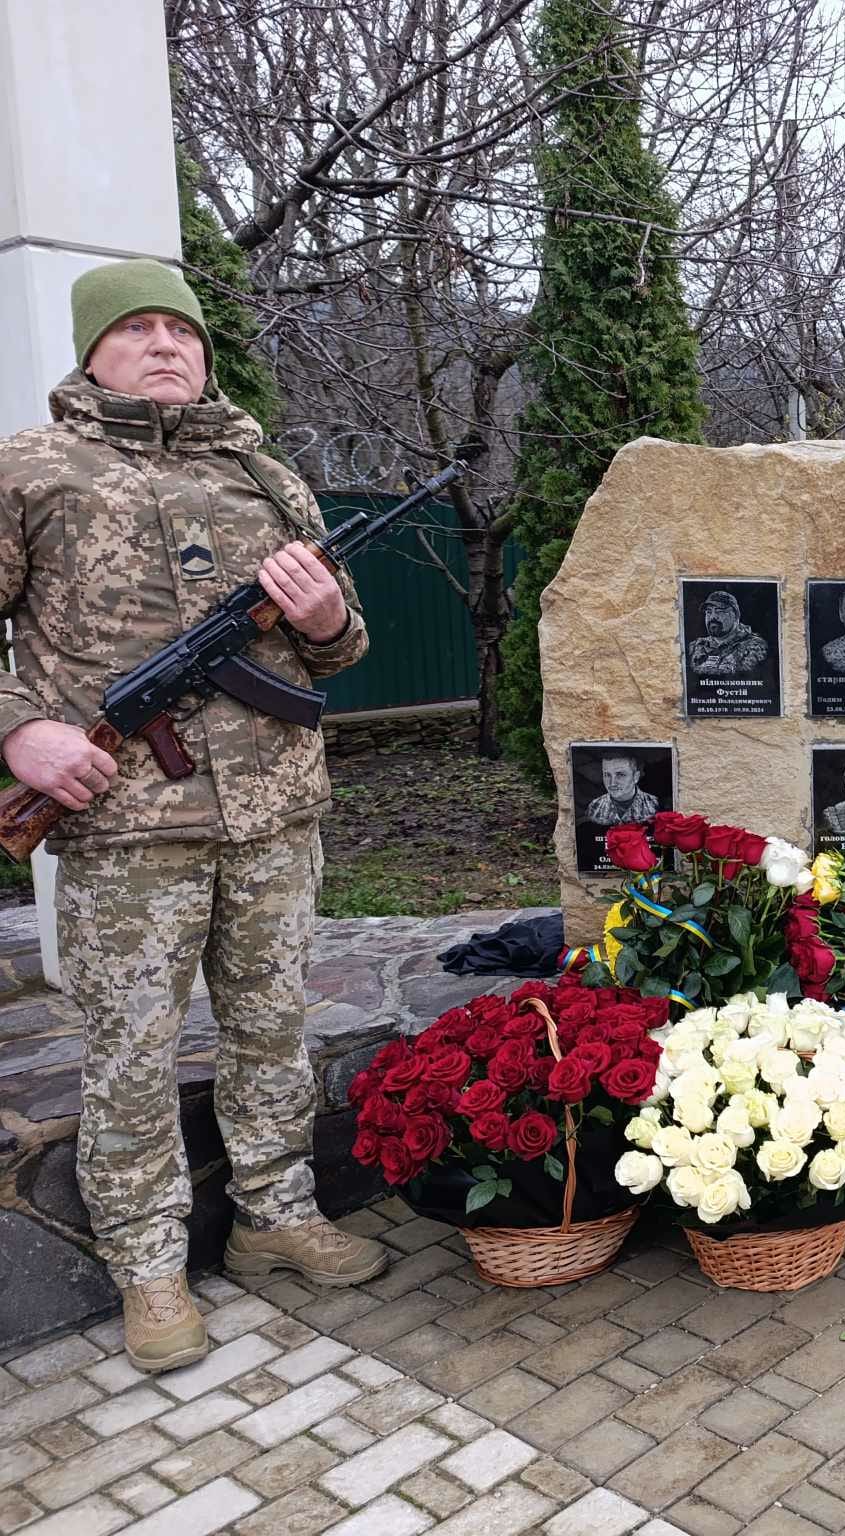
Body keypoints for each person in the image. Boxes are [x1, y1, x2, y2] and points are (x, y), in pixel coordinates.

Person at [0, 261, 390, 1371]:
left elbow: (341, 642)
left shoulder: (262, 473)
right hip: (127, 822)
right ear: (92, 352)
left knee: (272, 1025)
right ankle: (148, 1268)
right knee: (132, 1049)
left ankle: (276, 1215)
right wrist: (18, 731)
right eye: (137, 330)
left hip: (272, 809)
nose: (165, 345)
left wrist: (323, 619)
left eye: (182, 329)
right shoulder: (32, 469)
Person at [689, 589, 769, 676]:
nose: (713, 617)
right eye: (708, 612)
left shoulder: (754, 647)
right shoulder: (696, 646)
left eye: (719, 611)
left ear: (736, 615)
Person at [584, 753, 658, 825]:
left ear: (636, 777)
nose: (612, 783)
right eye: (607, 774)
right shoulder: (594, 807)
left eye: (620, 774)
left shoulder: (654, 805)